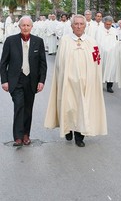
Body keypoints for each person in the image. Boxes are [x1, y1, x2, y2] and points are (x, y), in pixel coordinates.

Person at [44, 15, 107, 147]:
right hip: (68, 81)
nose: (78, 26)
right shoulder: (65, 41)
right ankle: (68, 129)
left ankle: (79, 136)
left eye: (81, 24)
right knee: (69, 108)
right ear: (72, 26)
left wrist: (93, 79)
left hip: (85, 83)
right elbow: (59, 63)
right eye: (76, 24)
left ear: (85, 26)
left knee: (82, 108)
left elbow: (97, 63)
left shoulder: (91, 42)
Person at [0, 15, 47, 146]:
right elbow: (3, 63)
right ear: (19, 26)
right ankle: (18, 136)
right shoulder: (10, 41)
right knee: (19, 105)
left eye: (28, 25)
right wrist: (4, 80)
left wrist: (41, 81)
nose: (25, 28)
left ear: (31, 27)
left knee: (28, 108)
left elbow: (43, 64)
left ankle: (26, 134)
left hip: (31, 81)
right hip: (16, 80)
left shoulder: (38, 41)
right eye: (23, 25)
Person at [96, 15, 118, 93]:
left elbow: (116, 41)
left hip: (112, 53)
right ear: (104, 23)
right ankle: (99, 85)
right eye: (107, 24)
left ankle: (109, 86)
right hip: (102, 53)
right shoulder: (99, 30)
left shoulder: (114, 31)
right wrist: (102, 49)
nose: (108, 26)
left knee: (111, 69)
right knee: (101, 68)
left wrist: (113, 49)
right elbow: (97, 41)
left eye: (109, 24)